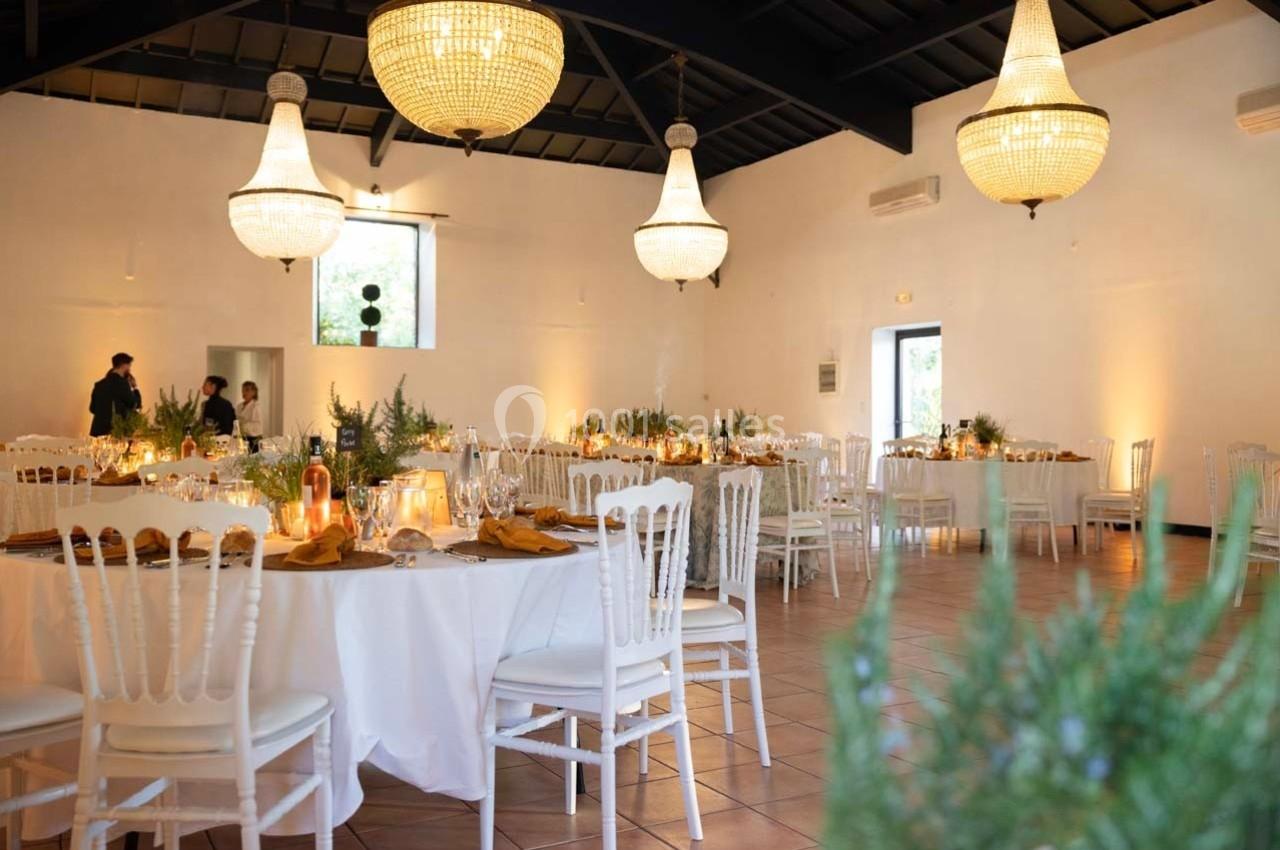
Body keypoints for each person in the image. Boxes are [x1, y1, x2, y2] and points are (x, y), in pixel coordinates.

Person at [89, 352, 142, 437]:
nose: (129, 369)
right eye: (129, 365)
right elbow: (135, 404)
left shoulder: (99, 384)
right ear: (124, 365)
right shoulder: (122, 384)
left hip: (98, 432)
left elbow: (92, 409)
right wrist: (135, 388)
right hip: (116, 432)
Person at [237, 380, 264, 453]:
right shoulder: (239, 406)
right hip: (242, 438)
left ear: (253, 392)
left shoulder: (256, 406)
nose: (244, 393)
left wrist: (242, 426)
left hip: (253, 439)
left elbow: (257, 425)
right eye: (243, 390)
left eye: (247, 390)